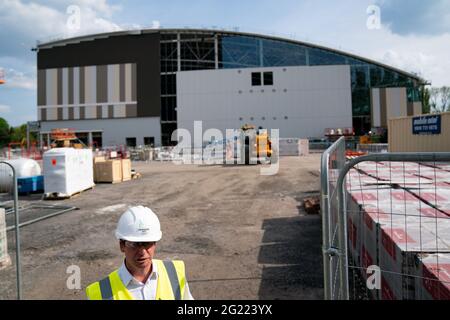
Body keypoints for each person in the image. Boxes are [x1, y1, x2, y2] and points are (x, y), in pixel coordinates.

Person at [86, 206, 194, 300]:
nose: (142, 252)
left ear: (155, 243)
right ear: (122, 245)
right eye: (134, 244)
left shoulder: (174, 274)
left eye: (147, 243)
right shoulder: (101, 293)